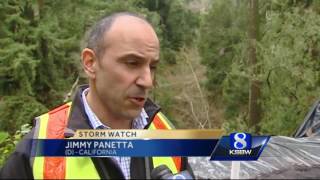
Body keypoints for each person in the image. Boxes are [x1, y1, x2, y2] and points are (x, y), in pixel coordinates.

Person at [0, 12, 194, 179]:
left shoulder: (166, 133)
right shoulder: (38, 149)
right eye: (132, 63)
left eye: (152, 67)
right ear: (90, 63)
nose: (147, 81)